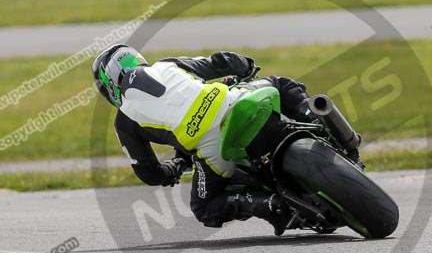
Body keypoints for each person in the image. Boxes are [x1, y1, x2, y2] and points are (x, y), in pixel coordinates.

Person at [92, 44, 321, 235]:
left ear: (110, 84)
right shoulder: (168, 65)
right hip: (233, 101)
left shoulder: (124, 121)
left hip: (211, 146)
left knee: (204, 207)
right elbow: (220, 61)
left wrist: (172, 169)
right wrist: (246, 67)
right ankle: (323, 123)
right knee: (281, 84)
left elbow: (148, 172)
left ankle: (269, 205)